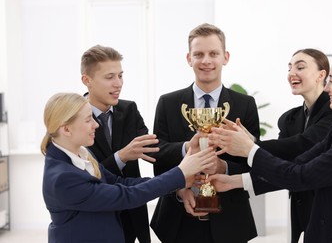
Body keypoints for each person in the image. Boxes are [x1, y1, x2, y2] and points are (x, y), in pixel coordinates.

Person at [208, 47, 332, 242]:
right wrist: (234, 181)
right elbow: (298, 164)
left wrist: (250, 148)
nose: (327, 88)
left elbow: (301, 176)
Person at [41, 92, 216, 243]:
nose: (96, 124)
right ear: (66, 129)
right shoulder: (62, 179)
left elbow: (121, 183)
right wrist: (180, 172)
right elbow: (125, 196)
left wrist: (178, 185)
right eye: (88, 120)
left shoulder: (82, 153)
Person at [150, 23, 260, 243]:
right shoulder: (168, 103)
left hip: (231, 219)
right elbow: (158, 155)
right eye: (198, 54)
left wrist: (224, 167)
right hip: (178, 218)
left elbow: (255, 161)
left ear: (225, 57)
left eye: (213, 53)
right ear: (189, 59)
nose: (206, 60)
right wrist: (181, 189)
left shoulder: (245, 104)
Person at [246, 48, 332, 243]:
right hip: (301, 211)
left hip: (331, 212)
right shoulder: (289, 119)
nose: (292, 73)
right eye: (289, 68)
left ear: (321, 75)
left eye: (300, 67)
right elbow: (282, 162)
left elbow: (304, 145)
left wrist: (252, 145)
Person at [80, 45, 156, 243]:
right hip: (96, 219)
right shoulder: (71, 119)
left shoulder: (129, 109)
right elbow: (83, 178)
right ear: (86, 80)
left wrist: (186, 147)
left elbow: (153, 148)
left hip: (132, 217)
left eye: (120, 75)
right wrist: (121, 157)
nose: (118, 83)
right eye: (110, 77)